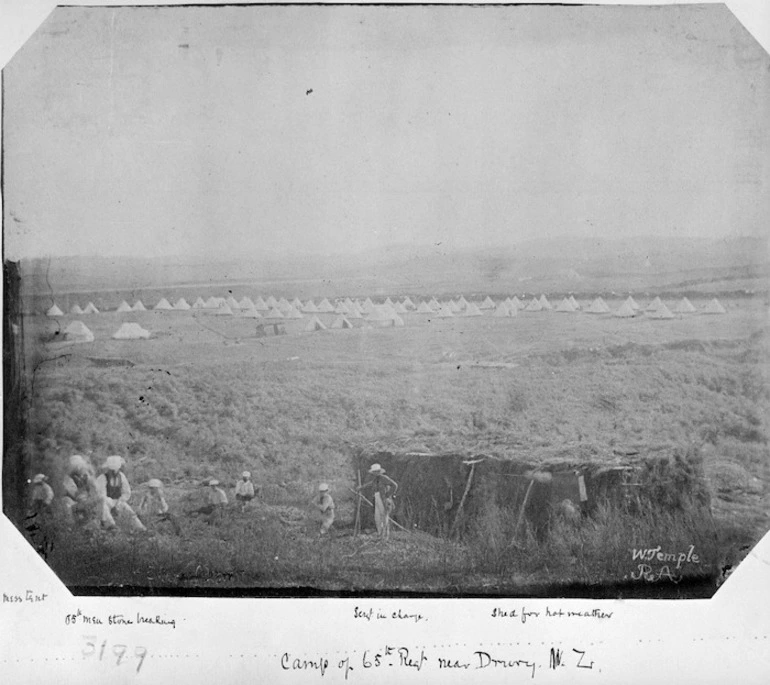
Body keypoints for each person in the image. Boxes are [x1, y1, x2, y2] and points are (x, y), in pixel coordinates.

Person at [95, 456, 146, 532]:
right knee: (105, 509)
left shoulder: (121, 476)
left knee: (129, 512)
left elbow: (126, 492)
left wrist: (120, 501)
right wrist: (111, 504)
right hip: (106, 502)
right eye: (112, 469)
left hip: (118, 501)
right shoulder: (102, 478)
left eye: (115, 469)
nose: (114, 471)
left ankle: (140, 528)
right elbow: (101, 495)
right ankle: (111, 526)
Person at [357, 463, 398, 540]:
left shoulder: (384, 478)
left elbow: (395, 485)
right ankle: (380, 534)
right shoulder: (376, 479)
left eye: (376, 471)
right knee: (377, 517)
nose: (375, 473)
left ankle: (385, 536)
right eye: (374, 472)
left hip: (383, 499)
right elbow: (370, 484)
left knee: (384, 517)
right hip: (377, 498)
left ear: (379, 471)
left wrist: (387, 495)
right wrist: (361, 488)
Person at [61, 454, 102, 527]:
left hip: (87, 500)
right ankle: (72, 525)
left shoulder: (86, 476)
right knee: (66, 502)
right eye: (76, 466)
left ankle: (95, 522)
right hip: (75, 502)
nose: (79, 467)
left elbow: (94, 488)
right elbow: (73, 492)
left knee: (100, 499)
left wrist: (91, 495)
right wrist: (83, 497)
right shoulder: (68, 479)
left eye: (80, 465)